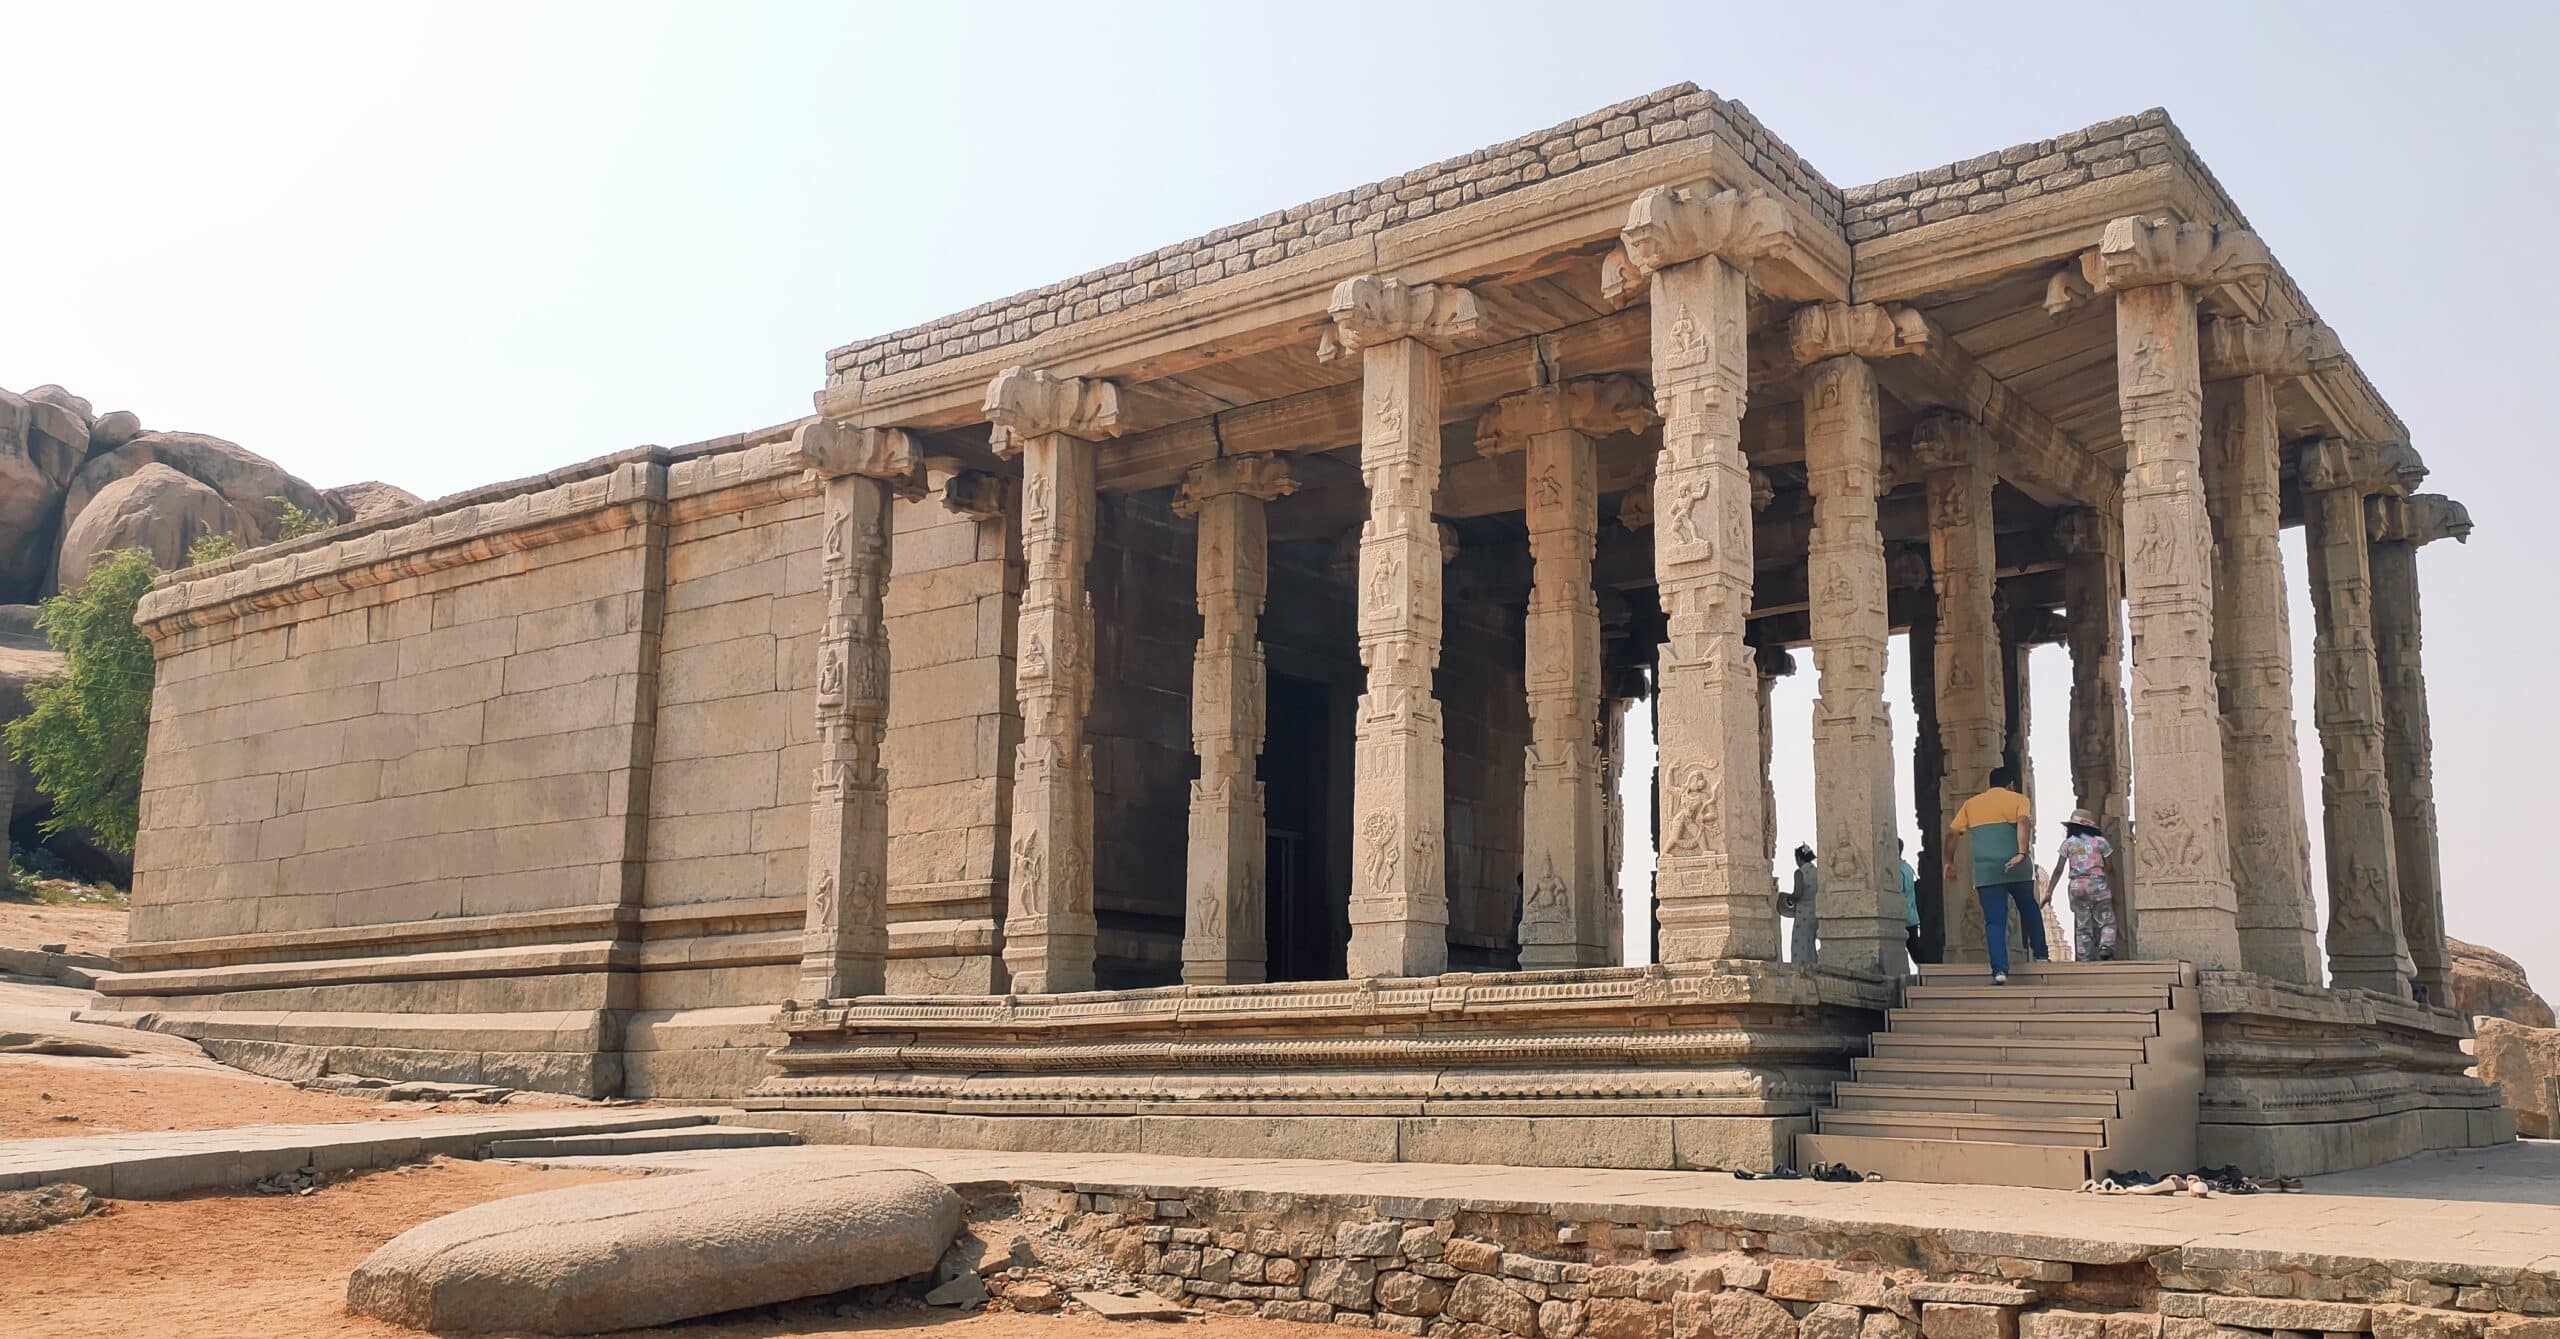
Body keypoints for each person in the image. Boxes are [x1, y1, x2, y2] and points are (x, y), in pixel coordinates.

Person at [1945, 765, 2047, 984]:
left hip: (1986, 870)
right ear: (2010, 784)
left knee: (1994, 921)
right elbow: (2022, 822)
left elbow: (1953, 833)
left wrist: (1949, 862)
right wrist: (2021, 852)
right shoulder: (2018, 799)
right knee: (2029, 909)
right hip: (2017, 866)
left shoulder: (1971, 805)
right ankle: (2041, 955)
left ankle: (1999, 971)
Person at [2044, 808, 2116, 961]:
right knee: (2106, 919)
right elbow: (2110, 868)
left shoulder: (2068, 844)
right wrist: (2113, 887)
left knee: (2082, 924)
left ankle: (2084, 957)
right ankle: (2106, 946)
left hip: (2077, 886)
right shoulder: (2101, 842)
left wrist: (2049, 891)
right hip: (2098, 884)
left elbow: (2058, 870)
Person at [1785, 844, 1819, 965]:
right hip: (1815, 913)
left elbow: (1798, 893)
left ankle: (1800, 971)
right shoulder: (1817, 872)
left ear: (1799, 858)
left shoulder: (1800, 872)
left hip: (1803, 914)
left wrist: (1789, 898)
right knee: (1811, 945)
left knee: (1800, 945)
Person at [1894, 837, 1921, 972]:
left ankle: (1926, 972)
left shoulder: (1897, 870)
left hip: (1902, 917)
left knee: (1913, 949)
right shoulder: (1907, 867)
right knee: (1914, 948)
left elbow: (1896, 890)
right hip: (1911, 915)